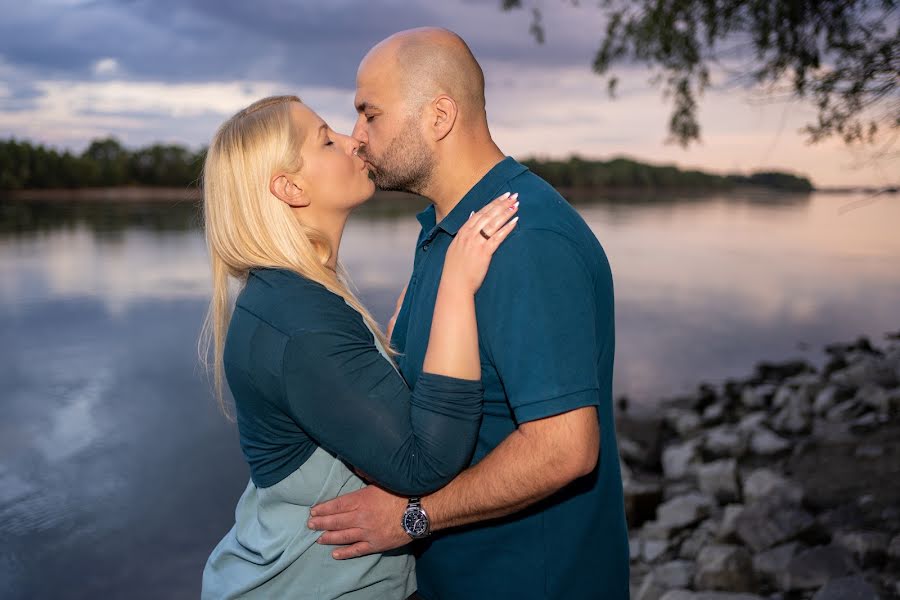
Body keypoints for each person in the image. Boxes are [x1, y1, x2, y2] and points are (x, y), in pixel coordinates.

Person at [307, 28, 630, 599]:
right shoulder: (449, 230)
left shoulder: (526, 239)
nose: (356, 137)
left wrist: (410, 515)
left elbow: (565, 448)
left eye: (370, 114)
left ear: (439, 116)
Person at [199, 94, 519, 599]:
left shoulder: (289, 294)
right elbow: (425, 464)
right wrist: (454, 288)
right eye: (327, 140)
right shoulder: (298, 321)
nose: (354, 140)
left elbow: (347, 401)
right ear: (290, 187)